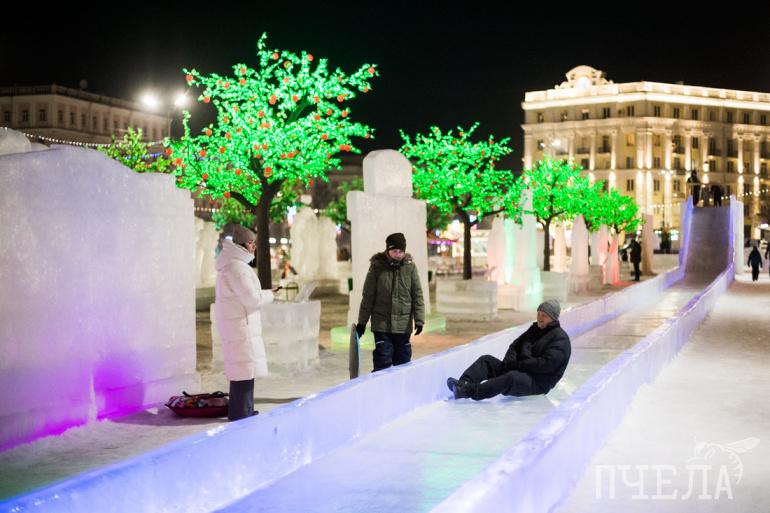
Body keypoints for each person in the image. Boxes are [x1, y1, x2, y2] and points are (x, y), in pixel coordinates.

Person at [446, 300, 571, 400]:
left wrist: (519, 365)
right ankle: (463, 384)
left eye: (544, 315)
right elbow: (515, 346)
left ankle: (470, 391)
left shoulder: (560, 339)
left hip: (537, 382)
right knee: (487, 360)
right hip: (520, 370)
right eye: (538, 313)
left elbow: (545, 365)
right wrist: (508, 362)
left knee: (511, 377)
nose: (539, 318)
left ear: (553, 318)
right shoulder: (534, 329)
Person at [214, 225, 275, 420]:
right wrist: (269, 295)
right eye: (251, 243)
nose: (254, 246)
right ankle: (241, 413)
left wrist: (265, 293)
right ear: (241, 245)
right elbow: (252, 299)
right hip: (241, 326)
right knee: (243, 369)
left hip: (239, 324)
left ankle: (244, 410)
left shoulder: (233, 265)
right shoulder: (237, 268)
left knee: (244, 369)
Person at [356, 233, 425, 372]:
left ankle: (401, 385)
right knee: (383, 358)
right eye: (394, 251)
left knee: (403, 361)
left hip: (403, 324)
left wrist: (419, 320)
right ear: (388, 250)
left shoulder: (410, 268)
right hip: (382, 324)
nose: (398, 254)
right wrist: (362, 322)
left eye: (400, 251)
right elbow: (368, 296)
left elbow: (417, 295)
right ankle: (380, 384)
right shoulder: (377, 267)